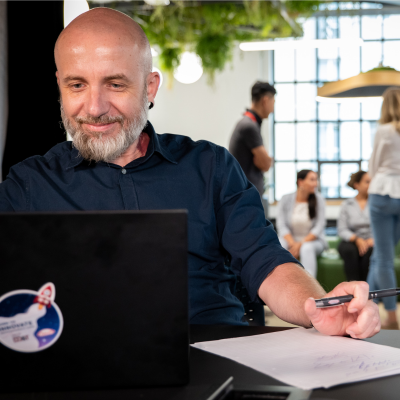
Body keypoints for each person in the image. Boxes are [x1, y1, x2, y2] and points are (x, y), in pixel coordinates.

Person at [0, 8, 380, 338]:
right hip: (81, 368)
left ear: (149, 87)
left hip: (215, 355)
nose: (95, 107)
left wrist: (318, 307)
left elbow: (265, 261)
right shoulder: (27, 186)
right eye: (77, 85)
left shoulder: (210, 167)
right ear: (59, 87)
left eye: (115, 84)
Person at [367, 87, 400, 330]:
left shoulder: (383, 130)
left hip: (381, 193)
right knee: (381, 255)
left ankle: (390, 314)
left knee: (384, 259)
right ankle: (366, 301)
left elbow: (374, 165)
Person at [277, 170, 327, 278]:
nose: (316, 183)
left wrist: (300, 244)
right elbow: (281, 224)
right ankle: (282, 281)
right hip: (290, 239)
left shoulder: (319, 199)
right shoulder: (285, 199)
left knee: (306, 248)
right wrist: (292, 243)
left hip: (313, 241)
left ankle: (310, 286)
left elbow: (319, 227)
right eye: (312, 179)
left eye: (316, 179)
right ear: (300, 182)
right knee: (280, 245)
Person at [229, 82, 274, 196]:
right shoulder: (249, 126)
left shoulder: (248, 123)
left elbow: (261, 161)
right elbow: (265, 164)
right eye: (273, 102)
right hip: (246, 197)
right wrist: (267, 159)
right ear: (265, 100)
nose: (273, 109)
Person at [337, 171, 373, 282]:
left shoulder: (377, 203)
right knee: (350, 251)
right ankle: (353, 287)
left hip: (372, 240)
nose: (370, 185)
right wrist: (357, 240)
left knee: (368, 252)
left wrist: (375, 239)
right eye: (367, 182)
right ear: (357, 184)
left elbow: (383, 226)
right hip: (351, 240)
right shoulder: (347, 204)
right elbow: (342, 229)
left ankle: (366, 289)